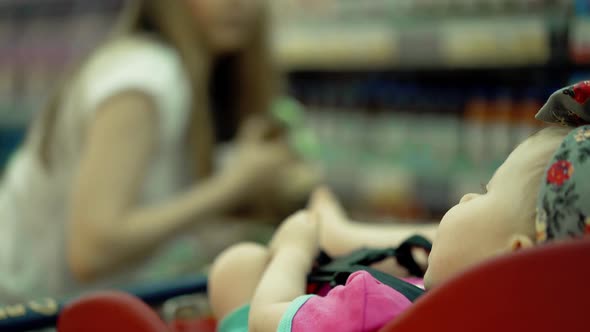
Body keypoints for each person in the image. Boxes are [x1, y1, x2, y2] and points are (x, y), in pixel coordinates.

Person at [0, 0, 315, 303]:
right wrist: (232, 185)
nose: (237, 2)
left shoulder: (191, 75)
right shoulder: (144, 76)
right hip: (23, 308)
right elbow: (92, 250)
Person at [209, 118, 589, 331]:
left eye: (485, 192)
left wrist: (293, 249)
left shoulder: (371, 306)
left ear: (513, 259)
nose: (468, 198)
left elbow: (265, 321)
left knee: (237, 266)